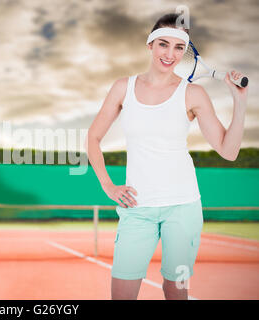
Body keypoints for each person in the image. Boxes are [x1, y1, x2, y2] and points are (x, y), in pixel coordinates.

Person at [85, 13, 248, 300]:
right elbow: (93, 137)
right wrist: (108, 187)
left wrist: (240, 101)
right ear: (150, 45)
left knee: (177, 289)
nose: (170, 54)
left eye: (177, 48)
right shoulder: (123, 87)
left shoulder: (193, 94)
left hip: (183, 209)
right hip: (137, 208)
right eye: (163, 44)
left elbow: (229, 151)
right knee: (122, 293)